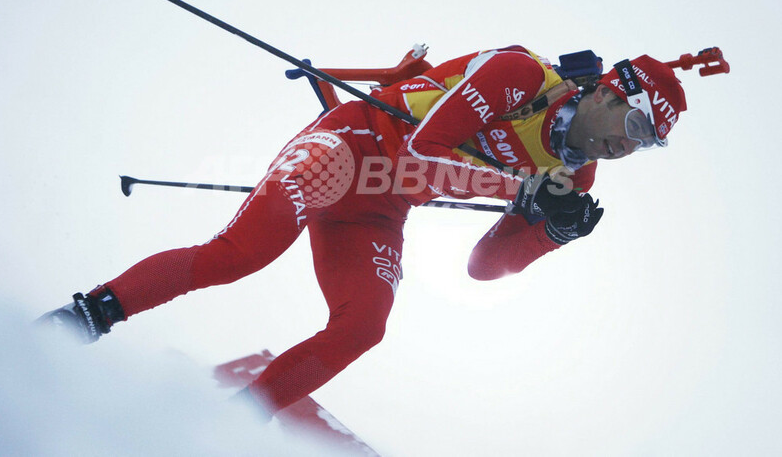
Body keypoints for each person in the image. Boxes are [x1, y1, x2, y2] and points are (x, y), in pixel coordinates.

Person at [38, 44, 687, 418]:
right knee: (239, 255)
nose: (629, 148)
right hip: (350, 147)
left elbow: (484, 266)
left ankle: (233, 425)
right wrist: (521, 191)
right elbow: (422, 151)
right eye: (634, 127)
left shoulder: (574, 178)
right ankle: (85, 315)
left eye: (647, 144)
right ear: (609, 94)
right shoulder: (522, 77)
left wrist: (551, 235)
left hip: (379, 208)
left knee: (364, 325)